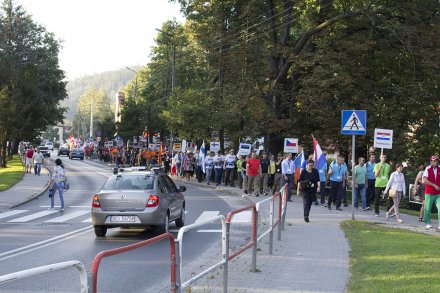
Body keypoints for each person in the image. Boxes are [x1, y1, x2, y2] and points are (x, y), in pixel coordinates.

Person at [422, 156, 440, 230]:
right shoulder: (427, 169)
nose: (436, 162)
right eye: (434, 161)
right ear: (431, 162)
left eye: (437, 161)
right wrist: (434, 185)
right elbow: (425, 181)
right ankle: (427, 223)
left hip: (438, 193)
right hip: (429, 192)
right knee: (428, 208)